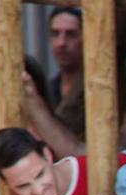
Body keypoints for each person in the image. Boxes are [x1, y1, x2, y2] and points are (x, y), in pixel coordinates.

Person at [47, 9, 84, 138]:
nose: (61, 43)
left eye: (71, 34)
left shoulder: (99, 90)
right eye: (55, 34)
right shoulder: (46, 91)